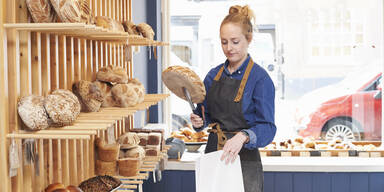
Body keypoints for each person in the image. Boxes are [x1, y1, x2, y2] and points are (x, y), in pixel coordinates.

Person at [190, 5, 276, 192]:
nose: (229, 48)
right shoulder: (212, 76)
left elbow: (268, 128)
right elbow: (204, 117)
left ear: (249, 39)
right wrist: (198, 121)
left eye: (235, 42)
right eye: (224, 42)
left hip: (245, 160)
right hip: (214, 155)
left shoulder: (260, 79)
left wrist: (244, 136)